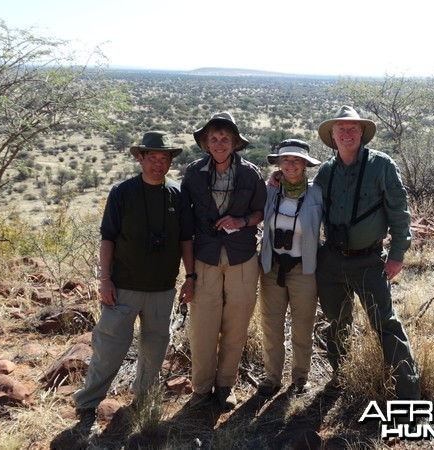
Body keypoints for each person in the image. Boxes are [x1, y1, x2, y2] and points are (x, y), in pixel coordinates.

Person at [73, 131, 194, 430]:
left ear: (170, 162)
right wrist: (105, 280)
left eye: (163, 159)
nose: (157, 164)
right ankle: (88, 403)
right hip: (123, 286)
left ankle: (143, 400)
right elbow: (107, 238)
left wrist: (190, 277)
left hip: (163, 288)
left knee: (154, 350)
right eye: (152, 158)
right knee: (109, 347)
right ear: (140, 158)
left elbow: (185, 239)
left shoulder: (177, 195)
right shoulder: (122, 192)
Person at [314, 105, 421, 400]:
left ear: (362, 132)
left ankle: (408, 394)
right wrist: (280, 183)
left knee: (386, 325)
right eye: (341, 129)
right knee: (336, 323)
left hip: (369, 260)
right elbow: (308, 203)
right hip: (331, 260)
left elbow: (399, 212)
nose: (347, 133)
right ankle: (342, 376)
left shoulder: (382, 165)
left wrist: (398, 253)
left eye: (352, 128)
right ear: (332, 135)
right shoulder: (326, 171)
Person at [180, 112, 266, 411]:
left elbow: (260, 212)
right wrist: (188, 274)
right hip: (205, 258)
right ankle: (201, 389)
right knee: (203, 326)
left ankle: (225, 385)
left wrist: (241, 221)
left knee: (236, 326)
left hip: (242, 258)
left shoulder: (251, 174)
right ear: (206, 143)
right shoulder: (193, 174)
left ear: (234, 143)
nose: (219, 144)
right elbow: (185, 224)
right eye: (213, 139)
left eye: (225, 139)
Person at [257, 139, 323, 398]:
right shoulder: (270, 190)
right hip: (272, 267)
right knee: (271, 325)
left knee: (303, 325)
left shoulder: (317, 192)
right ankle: (272, 377)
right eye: (286, 160)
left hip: (304, 269)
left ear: (306, 164)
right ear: (279, 164)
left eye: (297, 160)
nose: (291, 164)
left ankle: (300, 378)